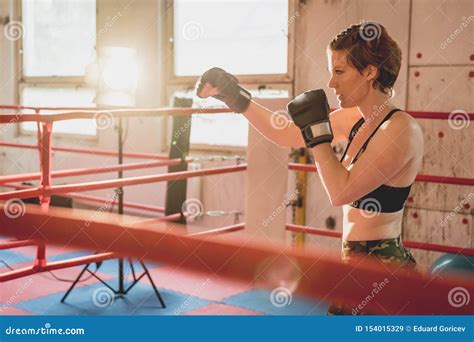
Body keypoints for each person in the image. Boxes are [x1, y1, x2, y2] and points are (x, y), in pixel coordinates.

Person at [195, 22, 423, 315]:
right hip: (352, 265)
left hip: (383, 270)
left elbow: (341, 192)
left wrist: (318, 135)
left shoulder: (399, 129)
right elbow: (286, 134)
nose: (331, 83)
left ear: (369, 72)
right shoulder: (356, 118)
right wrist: (235, 98)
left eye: (339, 72)